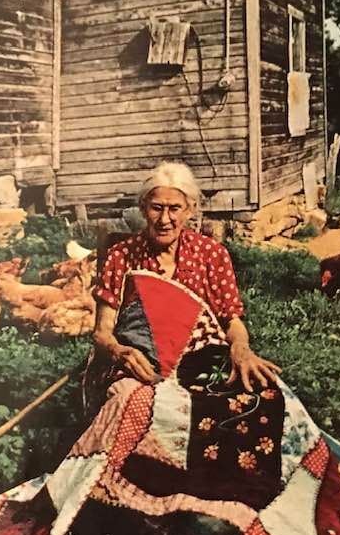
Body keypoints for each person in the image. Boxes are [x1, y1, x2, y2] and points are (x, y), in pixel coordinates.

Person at [92, 160, 281, 392]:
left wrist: (241, 349)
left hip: (202, 358)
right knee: (134, 402)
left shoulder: (211, 254)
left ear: (189, 210)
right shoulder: (121, 256)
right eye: (156, 207)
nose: (164, 220)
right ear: (143, 208)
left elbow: (231, 320)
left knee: (265, 396)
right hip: (141, 363)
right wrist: (119, 351)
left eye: (174, 208)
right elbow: (102, 332)